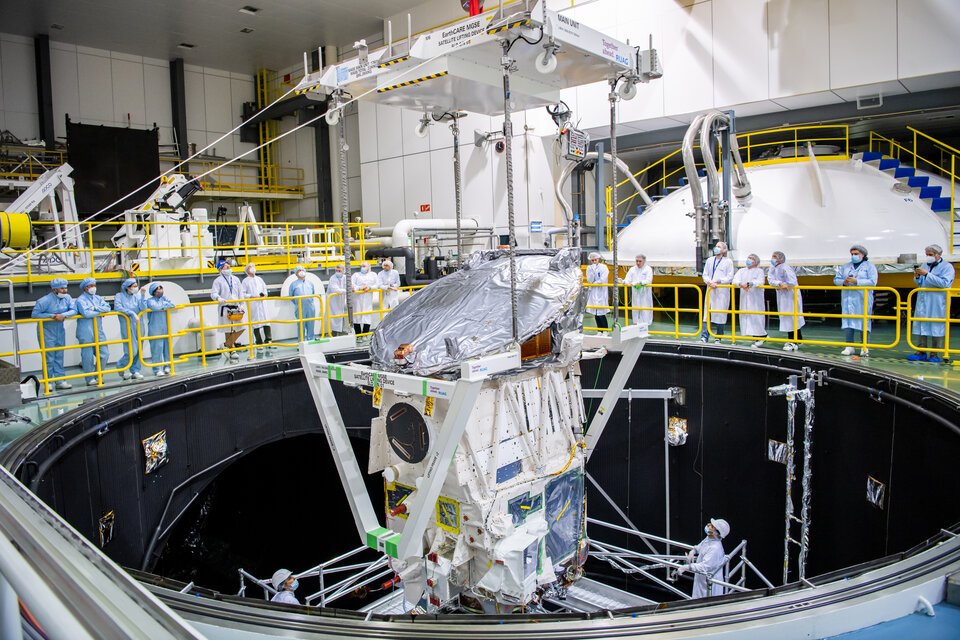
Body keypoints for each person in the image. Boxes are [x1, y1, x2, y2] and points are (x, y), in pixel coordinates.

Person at [908, 244, 956, 363]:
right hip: (924, 300)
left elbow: (944, 283)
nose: (928, 257)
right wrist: (917, 277)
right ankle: (921, 350)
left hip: (938, 302)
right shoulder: (925, 265)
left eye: (930, 255)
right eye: (927, 255)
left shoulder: (947, 267)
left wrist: (927, 274)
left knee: (936, 326)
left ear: (938, 255)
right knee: (921, 325)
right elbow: (921, 283)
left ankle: (934, 353)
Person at [31, 278, 77, 390]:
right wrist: (51, 316)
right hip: (46, 333)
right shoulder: (44, 301)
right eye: (62, 288)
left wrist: (63, 315)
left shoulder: (67, 298)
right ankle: (48, 381)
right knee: (49, 357)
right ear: (54, 289)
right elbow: (35, 314)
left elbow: (74, 310)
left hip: (60, 332)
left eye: (66, 287)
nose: (65, 290)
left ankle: (60, 380)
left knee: (59, 356)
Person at [834, 244, 878, 357]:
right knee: (848, 322)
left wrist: (856, 281)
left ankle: (864, 347)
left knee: (864, 323)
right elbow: (836, 279)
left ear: (863, 255)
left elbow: (873, 282)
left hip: (862, 299)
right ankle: (849, 346)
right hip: (848, 299)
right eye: (852, 254)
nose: (854, 256)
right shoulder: (845, 267)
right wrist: (843, 282)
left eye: (856, 254)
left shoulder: (870, 267)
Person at [677, 518, 730, 598]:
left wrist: (686, 567)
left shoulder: (715, 549)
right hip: (702, 580)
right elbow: (701, 546)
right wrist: (693, 551)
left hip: (709, 583)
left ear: (716, 533)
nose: (708, 525)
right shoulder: (710, 538)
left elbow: (704, 566)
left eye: (712, 526)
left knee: (707, 603)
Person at [75, 277, 111, 386]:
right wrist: (100, 311)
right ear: (85, 288)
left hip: (98, 331)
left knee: (105, 354)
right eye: (91, 286)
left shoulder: (98, 298)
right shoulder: (80, 300)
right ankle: (89, 379)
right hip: (86, 331)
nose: (93, 288)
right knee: (87, 356)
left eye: (94, 285)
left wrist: (95, 309)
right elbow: (86, 314)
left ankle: (97, 375)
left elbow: (108, 308)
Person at [767, 251, 805, 351]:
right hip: (782, 296)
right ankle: (797, 339)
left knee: (793, 317)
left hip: (790, 296)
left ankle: (794, 341)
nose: (773, 258)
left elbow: (792, 281)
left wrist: (784, 284)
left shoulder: (785, 268)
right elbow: (770, 281)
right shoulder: (772, 268)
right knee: (787, 318)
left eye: (775, 257)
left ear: (781, 258)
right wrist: (780, 283)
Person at [210, 260, 245, 362]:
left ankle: (225, 345)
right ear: (221, 269)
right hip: (225, 307)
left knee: (241, 327)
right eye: (226, 267)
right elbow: (213, 293)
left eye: (229, 266)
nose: (229, 268)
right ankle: (232, 350)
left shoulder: (236, 279)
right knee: (228, 330)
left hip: (236, 307)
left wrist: (242, 304)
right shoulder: (218, 281)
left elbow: (240, 293)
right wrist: (218, 298)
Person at [700, 241, 734, 343]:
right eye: (716, 246)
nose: (716, 248)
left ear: (723, 250)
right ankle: (704, 337)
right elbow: (705, 274)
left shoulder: (728, 262)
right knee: (707, 313)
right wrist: (709, 282)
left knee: (720, 314)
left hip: (721, 291)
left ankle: (718, 337)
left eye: (719, 246)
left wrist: (718, 281)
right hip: (710, 289)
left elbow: (730, 277)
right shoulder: (710, 260)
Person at [114, 277, 147, 380]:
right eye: (133, 286)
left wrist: (142, 295)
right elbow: (118, 307)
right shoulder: (119, 296)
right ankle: (121, 366)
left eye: (136, 286)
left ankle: (135, 370)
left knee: (139, 350)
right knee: (132, 350)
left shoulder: (137, 297)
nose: (135, 288)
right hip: (127, 325)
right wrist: (132, 313)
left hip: (139, 325)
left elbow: (143, 308)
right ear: (127, 287)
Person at [732, 253, 767, 347]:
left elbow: (760, 282)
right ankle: (755, 337)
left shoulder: (759, 271)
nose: (749, 259)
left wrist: (749, 284)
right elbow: (734, 280)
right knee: (748, 317)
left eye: (752, 258)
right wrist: (741, 284)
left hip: (755, 298)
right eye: (748, 258)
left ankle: (762, 336)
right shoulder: (742, 271)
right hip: (745, 298)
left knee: (756, 316)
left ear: (756, 262)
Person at [241, 263, 273, 355]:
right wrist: (252, 296)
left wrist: (264, 295)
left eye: (253, 267)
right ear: (247, 270)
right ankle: (259, 343)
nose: (252, 268)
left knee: (266, 321)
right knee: (255, 323)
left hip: (262, 303)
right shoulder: (245, 281)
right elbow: (243, 294)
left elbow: (265, 289)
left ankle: (269, 340)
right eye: (250, 267)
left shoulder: (259, 279)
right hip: (253, 304)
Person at [145, 283, 176, 376]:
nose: (160, 291)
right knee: (157, 349)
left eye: (161, 288)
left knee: (167, 348)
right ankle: (157, 369)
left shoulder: (164, 298)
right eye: (158, 289)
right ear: (153, 292)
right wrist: (164, 305)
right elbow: (155, 307)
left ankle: (167, 366)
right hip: (155, 329)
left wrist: (163, 305)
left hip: (165, 328)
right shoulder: (150, 300)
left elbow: (173, 304)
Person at [622, 254, 653, 327]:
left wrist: (639, 282)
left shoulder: (648, 269)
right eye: (637, 261)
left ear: (644, 261)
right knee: (636, 309)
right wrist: (624, 281)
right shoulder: (632, 269)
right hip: (635, 293)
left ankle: (645, 326)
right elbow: (628, 278)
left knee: (645, 310)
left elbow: (648, 280)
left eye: (640, 261)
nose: (638, 263)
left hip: (645, 293)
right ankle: (636, 325)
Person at [289, 265, 317, 341]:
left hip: (310, 306)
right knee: (301, 325)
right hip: (300, 307)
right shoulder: (293, 284)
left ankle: (310, 340)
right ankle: (301, 342)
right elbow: (291, 296)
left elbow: (313, 293)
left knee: (311, 324)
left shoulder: (310, 283)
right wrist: (298, 303)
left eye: (302, 270)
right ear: (296, 273)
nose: (301, 272)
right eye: (299, 270)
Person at [352, 261, 380, 335]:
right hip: (357, 298)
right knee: (356, 316)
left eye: (364, 266)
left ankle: (365, 334)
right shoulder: (356, 275)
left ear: (368, 267)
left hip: (367, 298)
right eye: (361, 266)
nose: (362, 268)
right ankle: (358, 335)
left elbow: (377, 284)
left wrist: (369, 287)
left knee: (367, 316)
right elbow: (352, 284)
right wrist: (360, 288)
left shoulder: (373, 275)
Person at [586, 252, 610, 329]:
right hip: (594, 292)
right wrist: (592, 272)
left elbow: (603, 279)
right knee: (596, 313)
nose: (594, 262)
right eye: (592, 260)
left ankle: (605, 330)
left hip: (601, 292)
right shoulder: (589, 268)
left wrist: (595, 283)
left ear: (598, 259)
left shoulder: (604, 267)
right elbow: (590, 280)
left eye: (595, 260)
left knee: (601, 313)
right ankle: (600, 331)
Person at [326, 264, 347, 335]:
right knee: (333, 315)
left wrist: (350, 289)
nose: (337, 272)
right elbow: (335, 289)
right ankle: (334, 332)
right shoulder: (333, 278)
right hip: (333, 300)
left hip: (340, 300)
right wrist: (347, 291)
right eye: (336, 271)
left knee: (341, 314)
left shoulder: (345, 277)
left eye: (339, 271)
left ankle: (340, 330)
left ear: (343, 271)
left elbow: (350, 285)